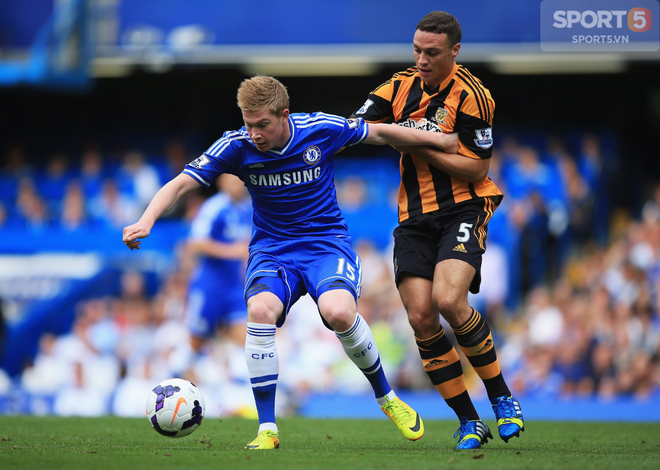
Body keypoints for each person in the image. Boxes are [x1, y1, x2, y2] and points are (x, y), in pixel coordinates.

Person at [123, 75, 458, 450]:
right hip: (273, 250)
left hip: (324, 245)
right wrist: (146, 220)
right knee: (260, 311)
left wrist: (440, 139)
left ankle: (387, 399)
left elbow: (380, 133)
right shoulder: (236, 145)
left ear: (284, 115)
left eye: (262, 124)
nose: (254, 133)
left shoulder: (320, 128)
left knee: (339, 312)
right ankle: (267, 428)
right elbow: (182, 183)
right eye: (248, 123)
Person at [351, 11, 524, 450]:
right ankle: (469, 420)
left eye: (431, 52)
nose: (422, 59)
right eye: (417, 50)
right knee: (420, 317)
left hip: (464, 206)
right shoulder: (398, 87)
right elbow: (362, 129)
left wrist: (416, 142)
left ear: (454, 51)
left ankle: (502, 396)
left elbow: (476, 165)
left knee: (449, 300)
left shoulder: (473, 96)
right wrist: (432, 138)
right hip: (413, 217)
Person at [180, 173, 253, 381]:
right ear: (221, 182)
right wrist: (233, 251)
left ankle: (245, 391)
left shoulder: (247, 208)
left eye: (240, 179)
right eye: (232, 180)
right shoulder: (214, 207)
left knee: (247, 341)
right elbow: (196, 242)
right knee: (195, 341)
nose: (237, 184)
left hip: (234, 286)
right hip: (209, 285)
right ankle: (174, 382)